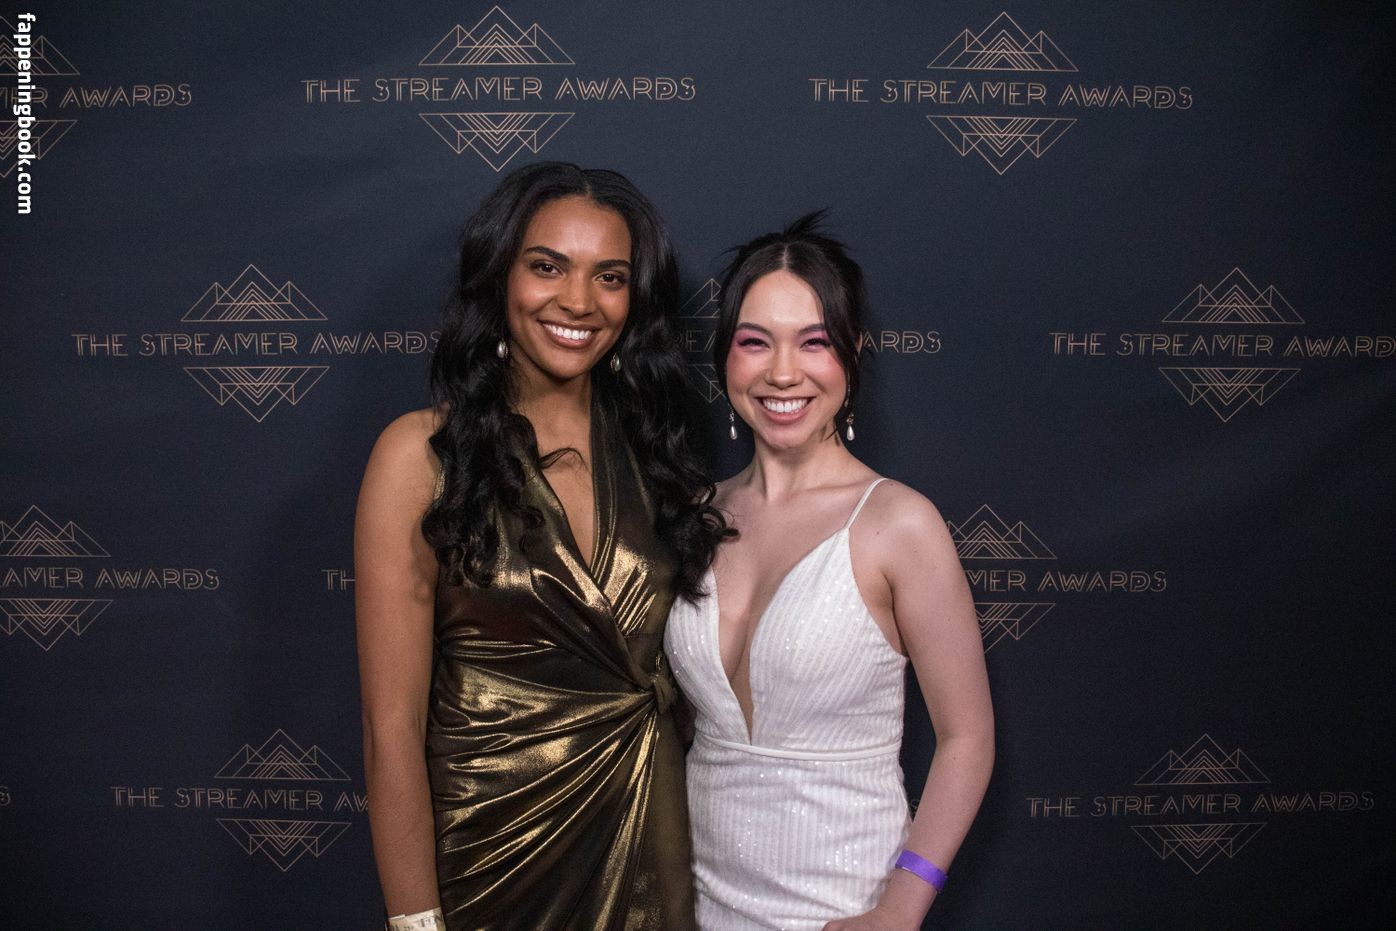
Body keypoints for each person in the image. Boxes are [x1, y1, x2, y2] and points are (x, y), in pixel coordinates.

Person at [355, 162, 724, 931]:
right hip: (487, 864)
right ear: (499, 276)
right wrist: (415, 923)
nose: (579, 301)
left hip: (649, 852)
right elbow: (390, 729)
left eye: (610, 276)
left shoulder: (659, 462)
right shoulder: (420, 457)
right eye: (548, 266)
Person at [664, 214, 995, 931]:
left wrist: (902, 906)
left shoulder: (899, 524)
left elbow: (967, 738)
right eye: (755, 341)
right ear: (724, 358)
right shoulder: (694, 515)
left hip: (845, 908)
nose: (784, 372)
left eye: (813, 342)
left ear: (853, 355)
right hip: (698, 905)